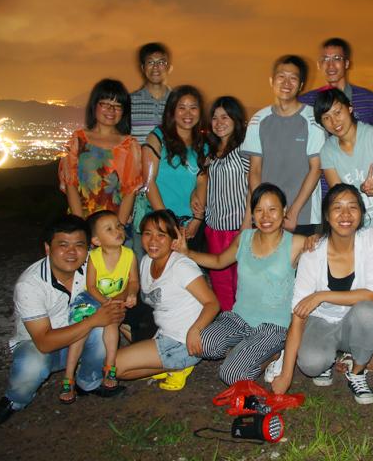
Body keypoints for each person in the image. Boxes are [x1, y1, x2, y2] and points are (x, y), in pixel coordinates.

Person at [0, 216, 126, 428]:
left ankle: (88, 382)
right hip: (40, 344)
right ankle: (14, 400)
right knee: (32, 364)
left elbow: (123, 277)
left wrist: (117, 306)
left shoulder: (93, 266)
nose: (72, 252)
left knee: (104, 329)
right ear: (48, 248)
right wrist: (94, 320)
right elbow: (44, 342)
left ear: (88, 248)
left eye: (79, 245)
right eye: (63, 245)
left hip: (80, 339)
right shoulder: (30, 285)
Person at [178, 184, 309, 385]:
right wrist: (187, 253)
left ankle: (272, 355)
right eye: (259, 210)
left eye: (272, 209)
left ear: (284, 211)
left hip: (274, 326)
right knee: (204, 344)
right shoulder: (245, 238)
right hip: (240, 318)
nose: (266, 216)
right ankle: (248, 350)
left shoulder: (297, 243)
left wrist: (317, 238)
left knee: (231, 374)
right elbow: (219, 261)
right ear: (253, 214)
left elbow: (327, 249)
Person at [270, 184, 373, 404]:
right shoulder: (313, 251)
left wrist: (321, 295)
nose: (345, 214)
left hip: (355, 322)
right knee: (311, 364)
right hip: (322, 321)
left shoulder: (372, 238)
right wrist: (286, 374)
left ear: (362, 213)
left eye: (352, 207)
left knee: (368, 313)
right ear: (326, 214)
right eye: (337, 207)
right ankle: (326, 360)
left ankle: (357, 372)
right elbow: (298, 315)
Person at [316, 88, 373, 359]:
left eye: (337, 112)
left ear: (350, 109)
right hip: (356, 240)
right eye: (326, 118)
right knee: (358, 302)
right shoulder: (328, 151)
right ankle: (359, 349)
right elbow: (338, 197)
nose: (334, 121)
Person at [113, 210, 221, 390]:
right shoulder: (147, 261)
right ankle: (168, 366)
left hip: (182, 342)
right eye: (147, 233)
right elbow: (136, 289)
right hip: (161, 331)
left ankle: (178, 365)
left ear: (174, 238)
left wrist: (195, 330)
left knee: (114, 367)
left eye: (161, 235)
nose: (153, 240)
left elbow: (213, 303)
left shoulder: (181, 266)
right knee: (115, 317)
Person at [59, 210, 140, 403]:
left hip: (112, 300)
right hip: (91, 298)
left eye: (118, 226)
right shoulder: (94, 257)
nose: (117, 231)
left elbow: (133, 281)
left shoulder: (129, 255)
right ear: (96, 240)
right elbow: (92, 286)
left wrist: (132, 294)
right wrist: (105, 303)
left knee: (112, 325)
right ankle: (68, 378)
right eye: (109, 229)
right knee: (80, 332)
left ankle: (109, 368)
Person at [242, 55, 325, 236]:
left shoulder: (313, 120)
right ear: (272, 81)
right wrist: (252, 215)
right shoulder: (258, 120)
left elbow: (316, 169)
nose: (286, 83)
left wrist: (293, 213)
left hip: (302, 216)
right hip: (266, 217)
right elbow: (254, 171)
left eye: (293, 78)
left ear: (301, 85)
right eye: (281, 76)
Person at [59, 79, 142, 230]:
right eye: (105, 104)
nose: (111, 110)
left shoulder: (129, 145)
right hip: (81, 221)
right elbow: (71, 184)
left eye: (118, 106)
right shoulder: (78, 139)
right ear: (95, 105)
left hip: (115, 224)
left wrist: (118, 228)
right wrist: (81, 227)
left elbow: (130, 192)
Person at [191, 96, 249, 311]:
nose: (219, 122)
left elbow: (254, 186)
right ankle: (227, 324)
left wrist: (247, 225)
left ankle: (245, 324)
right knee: (221, 284)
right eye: (215, 118)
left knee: (242, 284)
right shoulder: (211, 151)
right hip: (214, 228)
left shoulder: (245, 149)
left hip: (239, 228)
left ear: (236, 119)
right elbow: (204, 180)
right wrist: (195, 197)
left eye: (225, 117)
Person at [139, 85, 209, 245]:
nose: (188, 114)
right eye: (182, 108)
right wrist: (168, 224)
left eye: (193, 108)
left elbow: (202, 181)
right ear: (172, 111)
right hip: (159, 225)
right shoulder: (157, 138)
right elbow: (149, 182)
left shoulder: (203, 145)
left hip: (190, 226)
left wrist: (197, 219)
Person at [298, 37, 373, 131]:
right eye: (325, 59)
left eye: (337, 58)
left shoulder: (367, 99)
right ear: (319, 65)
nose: (330, 65)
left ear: (346, 64)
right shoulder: (305, 102)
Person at [130, 42, 173, 143]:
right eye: (150, 62)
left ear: (169, 67)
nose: (155, 67)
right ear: (143, 68)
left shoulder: (178, 102)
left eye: (161, 62)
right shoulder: (129, 101)